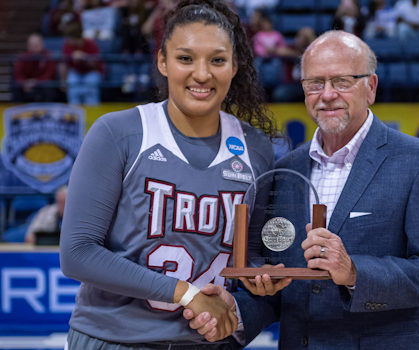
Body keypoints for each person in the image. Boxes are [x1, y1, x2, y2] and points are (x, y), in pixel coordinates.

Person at [185, 30, 419, 348]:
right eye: (315, 83)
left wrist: (355, 272)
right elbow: (279, 281)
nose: (327, 94)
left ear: (370, 87)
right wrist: (237, 308)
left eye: (342, 81)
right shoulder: (285, 171)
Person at [59, 0, 277, 348]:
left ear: (235, 66)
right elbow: (78, 253)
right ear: (162, 61)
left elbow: (248, 255)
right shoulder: (119, 133)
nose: (202, 74)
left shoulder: (256, 147)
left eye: (217, 60)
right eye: (185, 58)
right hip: (114, 339)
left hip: (210, 342)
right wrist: (185, 293)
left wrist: (257, 282)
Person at [59, 20, 104, 105]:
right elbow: (63, 64)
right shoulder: (67, 46)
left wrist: (84, 57)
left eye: (69, 39)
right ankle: (75, 114)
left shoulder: (91, 44)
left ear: (76, 38)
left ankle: (92, 114)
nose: (68, 41)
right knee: (72, 82)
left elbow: (95, 65)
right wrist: (63, 82)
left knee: (90, 83)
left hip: (91, 72)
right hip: (76, 72)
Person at [12, 33, 57, 102]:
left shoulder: (48, 56)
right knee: (17, 86)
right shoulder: (23, 57)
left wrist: (35, 82)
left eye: (36, 45)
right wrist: (24, 83)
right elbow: (18, 73)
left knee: (49, 86)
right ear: (28, 46)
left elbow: (49, 74)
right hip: (26, 86)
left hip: (42, 85)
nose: (33, 48)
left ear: (42, 45)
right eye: (31, 45)